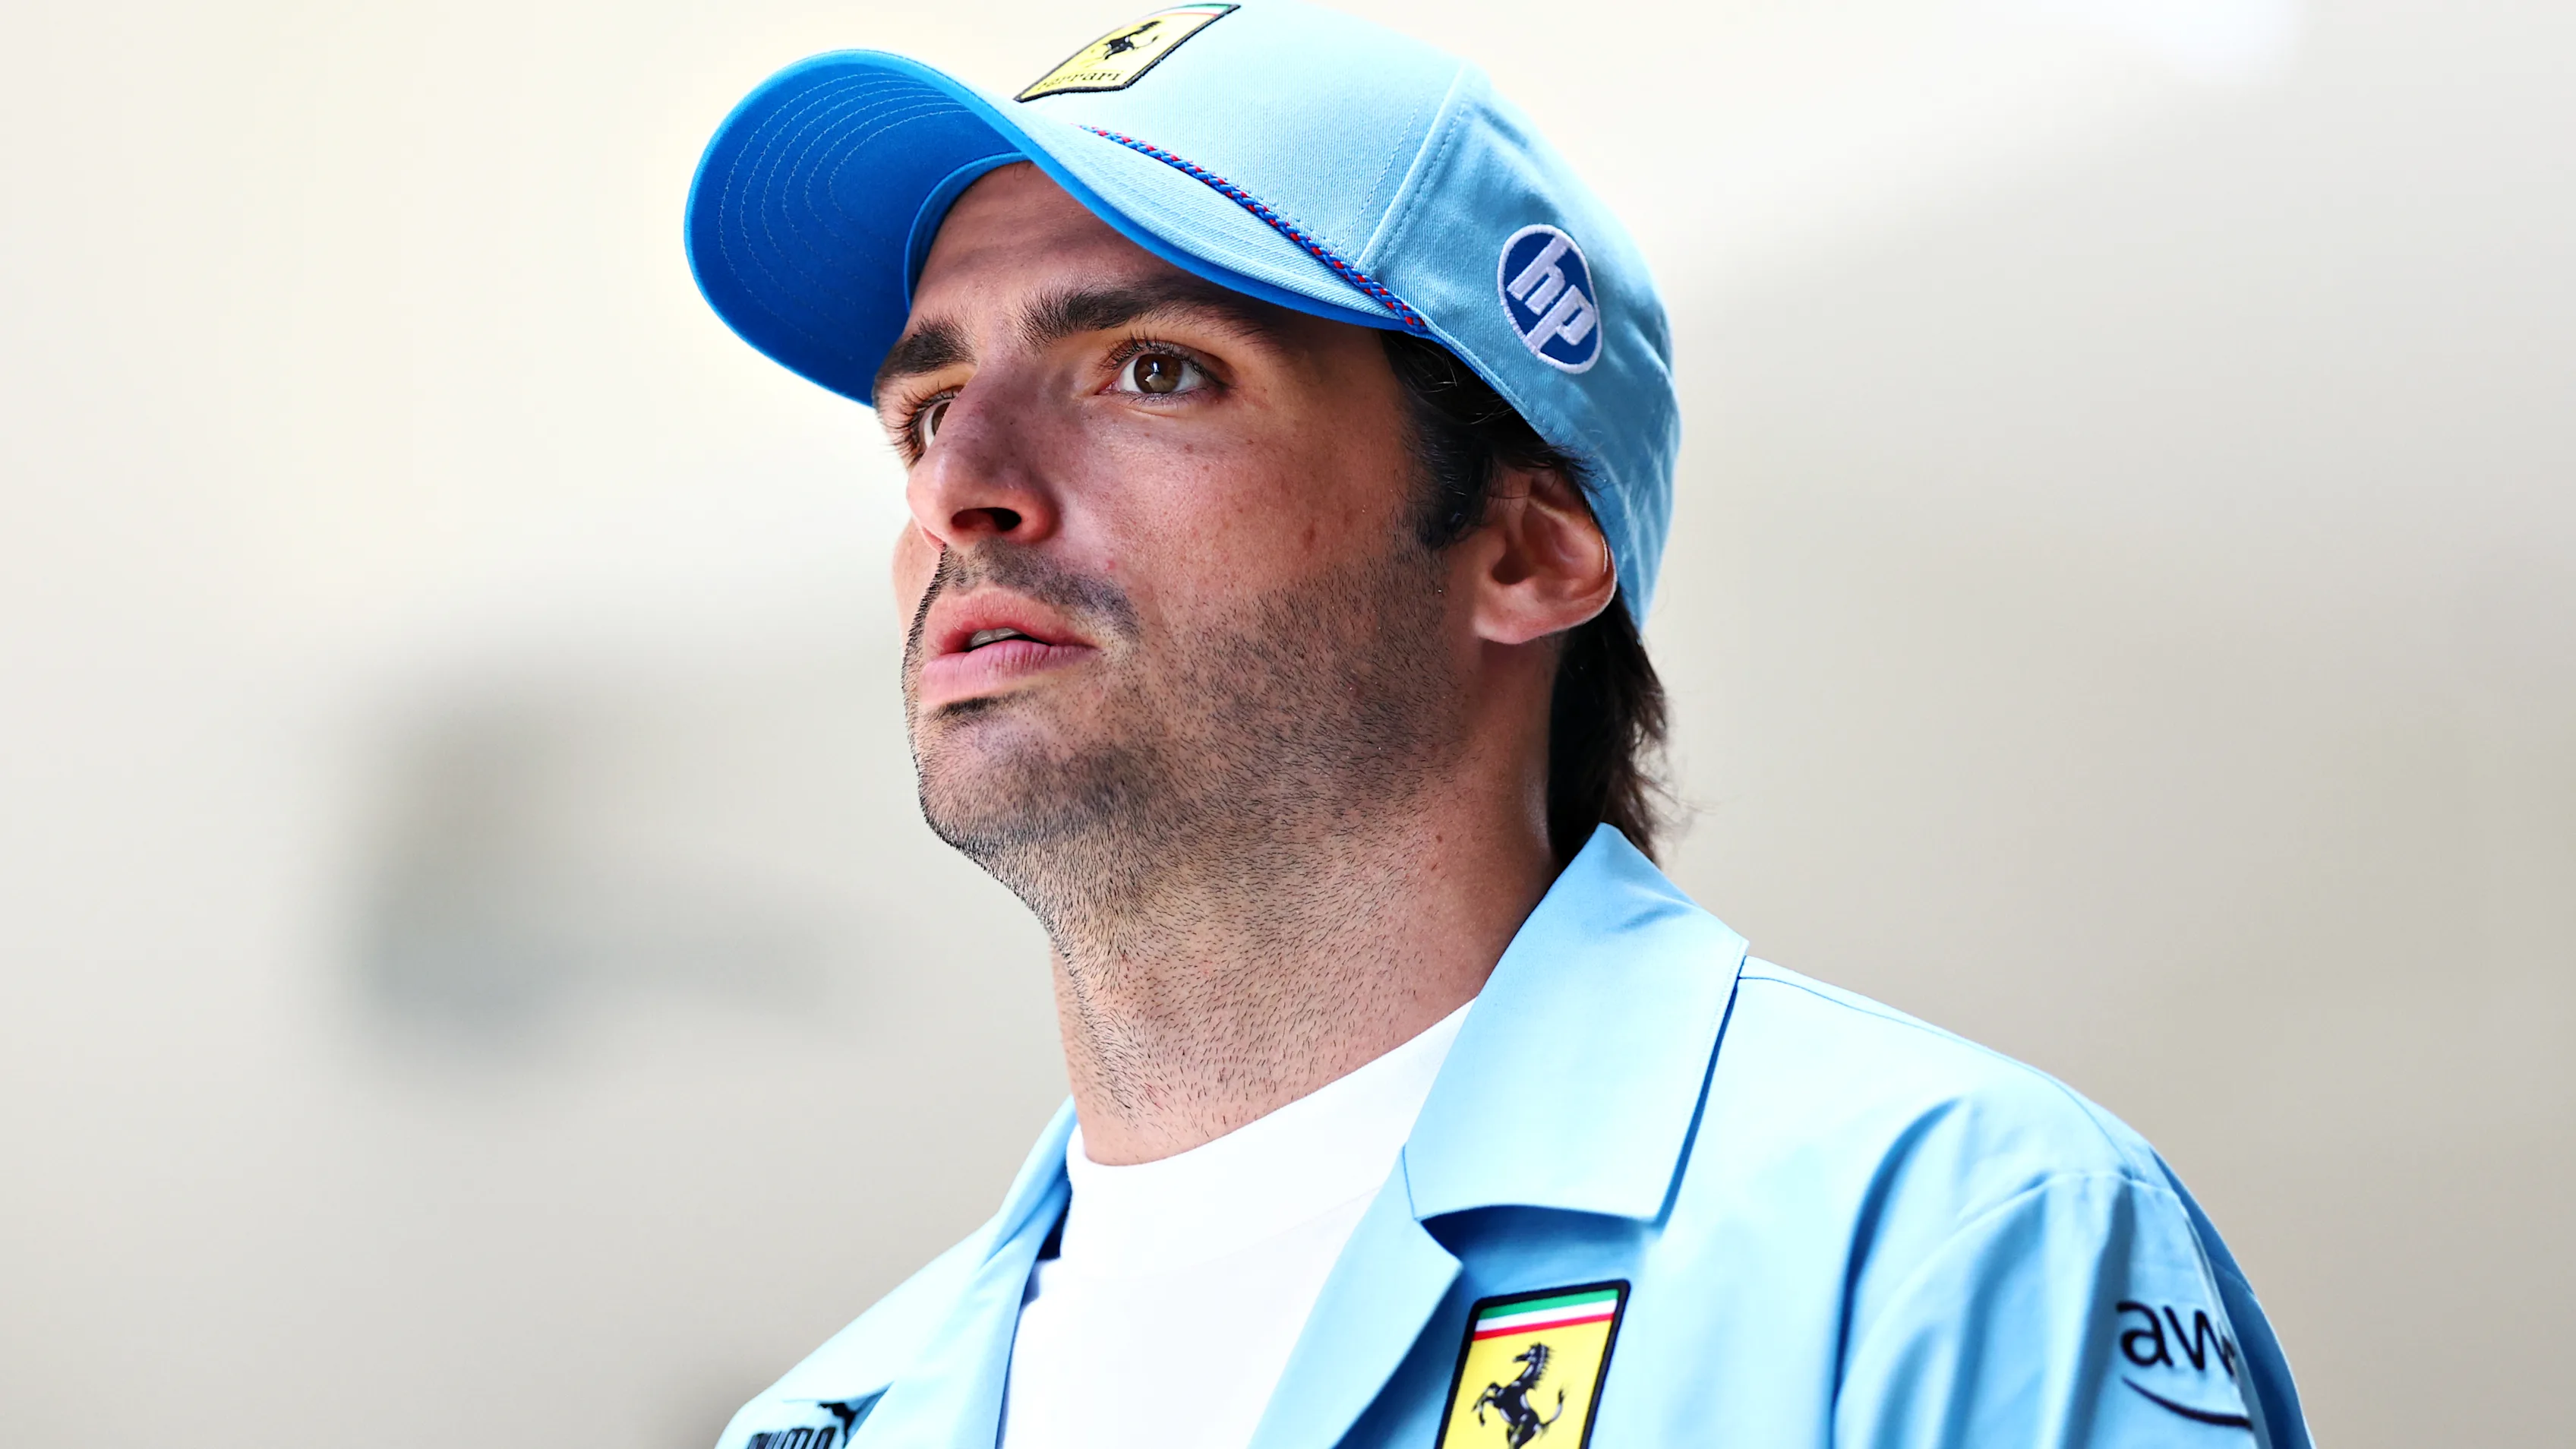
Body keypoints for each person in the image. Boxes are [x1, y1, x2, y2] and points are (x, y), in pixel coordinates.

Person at [681, 4, 2312, 1446]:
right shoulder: (829, 1423)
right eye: (925, 406)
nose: (963, 486)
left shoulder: (1945, 1242)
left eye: (1157, 370)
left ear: (1526, 548)